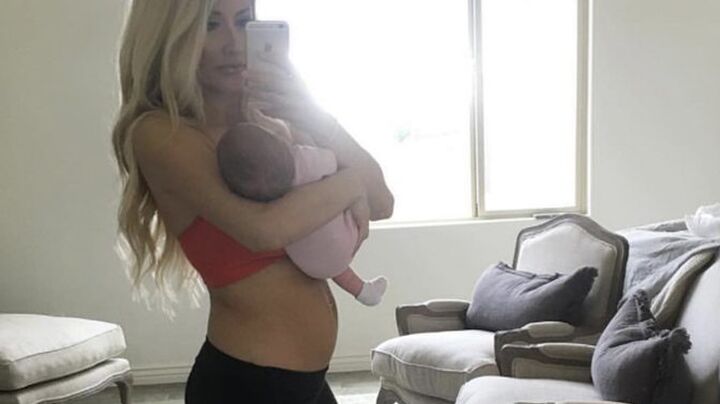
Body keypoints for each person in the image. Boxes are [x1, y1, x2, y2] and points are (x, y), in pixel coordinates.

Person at [110, 0, 394, 402]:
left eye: (244, 21)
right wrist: (349, 184)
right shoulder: (160, 133)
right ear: (170, 37)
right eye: (211, 25)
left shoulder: (272, 121)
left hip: (307, 384)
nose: (234, 42)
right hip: (247, 385)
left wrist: (312, 115)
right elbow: (263, 230)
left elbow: (381, 201)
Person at [216, 123, 389, 306]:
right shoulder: (302, 159)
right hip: (344, 241)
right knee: (332, 242)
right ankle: (364, 290)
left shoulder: (258, 194)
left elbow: (383, 205)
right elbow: (330, 160)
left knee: (328, 257)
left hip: (311, 264)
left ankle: (363, 290)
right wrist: (352, 184)